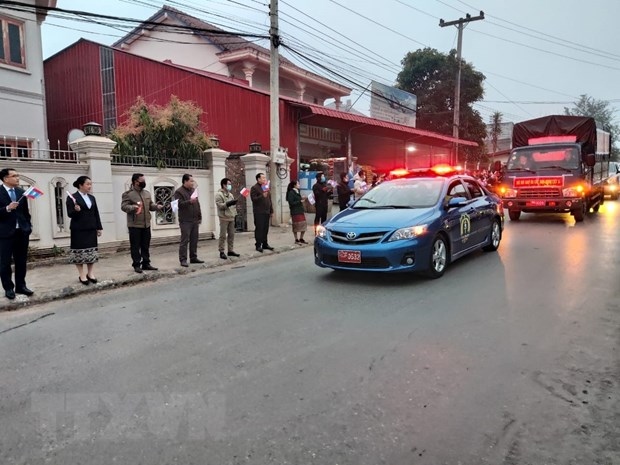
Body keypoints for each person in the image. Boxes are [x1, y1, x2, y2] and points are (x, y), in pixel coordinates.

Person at [0, 168, 33, 299]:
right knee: (5, 262)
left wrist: (28, 227)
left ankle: (21, 286)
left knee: (21, 261)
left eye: (18, 175)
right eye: (14, 176)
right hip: (5, 233)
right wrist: (7, 208)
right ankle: (8, 288)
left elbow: (25, 213)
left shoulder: (21, 192)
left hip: (22, 232)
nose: (17, 178)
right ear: (5, 179)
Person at [120, 173, 163, 273]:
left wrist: (156, 206)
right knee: (135, 246)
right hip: (134, 224)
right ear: (135, 182)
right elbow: (123, 207)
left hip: (146, 224)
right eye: (142, 181)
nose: (144, 182)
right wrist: (132, 208)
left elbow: (150, 205)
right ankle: (136, 264)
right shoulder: (128, 194)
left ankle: (146, 263)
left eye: (144, 180)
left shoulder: (147, 193)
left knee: (145, 245)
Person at [66, 176, 103, 285]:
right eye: (87, 184)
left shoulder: (92, 198)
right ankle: (82, 274)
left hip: (91, 228)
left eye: (90, 184)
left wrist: (99, 227)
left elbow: (96, 213)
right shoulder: (72, 197)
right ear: (80, 185)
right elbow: (69, 213)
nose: (89, 186)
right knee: (79, 253)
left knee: (91, 252)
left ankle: (90, 273)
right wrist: (75, 210)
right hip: (78, 229)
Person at [174, 173, 204, 267]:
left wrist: (199, 216)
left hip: (194, 219)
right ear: (185, 181)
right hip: (185, 220)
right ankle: (183, 259)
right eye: (191, 181)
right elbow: (179, 205)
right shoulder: (179, 192)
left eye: (192, 181)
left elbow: (197, 204)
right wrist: (189, 202)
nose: (192, 182)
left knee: (194, 239)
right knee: (185, 240)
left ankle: (193, 257)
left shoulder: (193, 190)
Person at [214, 177, 240, 260]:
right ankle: (221, 251)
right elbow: (220, 206)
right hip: (224, 217)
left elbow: (233, 207)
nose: (230, 186)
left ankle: (230, 250)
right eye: (228, 184)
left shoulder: (231, 194)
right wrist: (228, 203)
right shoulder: (219, 194)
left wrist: (235, 215)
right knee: (222, 235)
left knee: (231, 235)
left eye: (230, 184)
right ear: (224, 185)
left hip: (231, 217)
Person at [250, 172, 273, 253]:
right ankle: (258, 244)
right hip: (259, 212)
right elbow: (254, 199)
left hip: (266, 211)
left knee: (265, 229)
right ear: (258, 179)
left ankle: (265, 243)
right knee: (259, 229)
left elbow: (269, 199)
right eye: (263, 178)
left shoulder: (265, 187)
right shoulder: (254, 188)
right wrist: (262, 196)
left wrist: (271, 210)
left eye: (265, 178)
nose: (264, 179)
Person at [286, 180, 308, 244]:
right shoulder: (291, 193)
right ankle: (296, 239)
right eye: (298, 184)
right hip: (295, 211)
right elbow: (291, 202)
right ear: (294, 185)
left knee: (303, 225)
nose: (299, 185)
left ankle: (301, 238)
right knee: (296, 226)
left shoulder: (297, 191)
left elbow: (298, 199)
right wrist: (300, 201)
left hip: (300, 211)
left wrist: (302, 198)